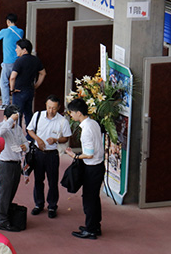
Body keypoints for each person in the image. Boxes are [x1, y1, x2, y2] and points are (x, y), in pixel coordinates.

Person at [27, 95, 71, 219]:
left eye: (54, 108)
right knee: (38, 180)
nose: (51, 110)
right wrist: (38, 139)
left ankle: (52, 206)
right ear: (46, 105)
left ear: (59, 108)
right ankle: (38, 204)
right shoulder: (38, 116)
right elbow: (30, 130)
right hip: (38, 153)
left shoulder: (63, 121)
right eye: (49, 107)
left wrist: (56, 139)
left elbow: (66, 138)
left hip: (52, 154)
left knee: (53, 181)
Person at [66, 98, 104, 240]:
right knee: (94, 198)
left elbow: (88, 154)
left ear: (79, 113)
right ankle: (95, 225)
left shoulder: (86, 130)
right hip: (98, 166)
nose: (71, 115)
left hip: (92, 168)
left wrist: (74, 156)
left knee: (89, 200)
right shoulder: (93, 123)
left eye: (72, 112)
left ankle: (90, 230)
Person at [0, 105, 28, 232]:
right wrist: (10, 120)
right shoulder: (0, 127)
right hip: (5, 164)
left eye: (16, 119)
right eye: (13, 119)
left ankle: (5, 214)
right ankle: (2, 220)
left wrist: (25, 147)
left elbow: (25, 142)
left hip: (16, 164)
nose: (15, 122)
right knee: (4, 193)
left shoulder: (18, 129)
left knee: (11, 191)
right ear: (5, 117)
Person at [9, 38, 46, 127]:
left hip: (18, 91)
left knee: (17, 114)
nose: (16, 50)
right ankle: (30, 134)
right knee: (28, 113)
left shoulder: (19, 61)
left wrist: (12, 89)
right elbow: (43, 73)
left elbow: (12, 77)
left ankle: (18, 134)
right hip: (29, 90)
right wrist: (36, 86)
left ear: (24, 50)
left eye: (17, 48)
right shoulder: (36, 60)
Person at [0, 14, 24, 110]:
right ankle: (17, 103)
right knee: (17, 81)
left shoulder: (4, 31)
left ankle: (6, 103)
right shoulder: (20, 31)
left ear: (8, 22)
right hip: (19, 60)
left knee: (4, 82)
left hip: (8, 61)